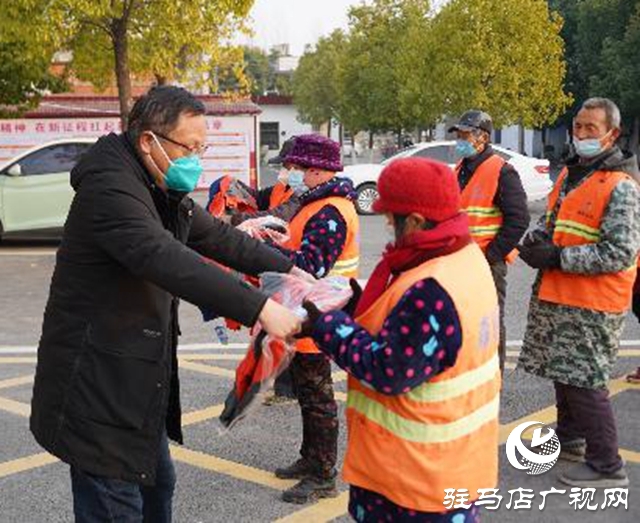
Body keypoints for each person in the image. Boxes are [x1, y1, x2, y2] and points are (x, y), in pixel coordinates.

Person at [29, 85, 303, 523]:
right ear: (148, 141)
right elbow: (165, 257)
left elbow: (216, 236)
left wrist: (292, 270)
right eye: (190, 147)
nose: (197, 158)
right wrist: (261, 308)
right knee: (116, 505)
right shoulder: (110, 190)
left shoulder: (156, 185)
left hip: (135, 385)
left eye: (203, 147)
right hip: (97, 386)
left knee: (158, 488)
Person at [298, 157, 500, 522]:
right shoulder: (463, 256)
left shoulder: (431, 289)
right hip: (455, 465)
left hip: (413, 483)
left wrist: (327, 327)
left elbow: (390, 370)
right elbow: (409, 324)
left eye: (392, 215)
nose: (387, 222)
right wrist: (357, 301)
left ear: (418, 221)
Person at [518, 97, 640, 488]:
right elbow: (555, 223)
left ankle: (607, 464)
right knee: (563, 373)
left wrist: (557, 257)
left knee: (585, 380)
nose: (582, 134)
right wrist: (537, 243)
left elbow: (620, 252)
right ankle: (569, 438)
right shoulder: (574, 174)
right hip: (563, 294)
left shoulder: (620, 185)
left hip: (594, 302)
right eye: (578, 127)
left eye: (591, 128)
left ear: (612, 134)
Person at [270, 134, 361, 504]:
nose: (291, 173)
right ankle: (310, 458)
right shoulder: (318, 203)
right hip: (308, 313)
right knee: (309, 393)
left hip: (318, 316)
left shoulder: (330, 211)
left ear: (318, 170)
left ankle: (323, 474)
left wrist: (264, 251)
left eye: (297, 167)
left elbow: (311, 266)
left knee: (319, 397)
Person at [449, 110, 530, 371]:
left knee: (489, 322)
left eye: (464, 135)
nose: (459, 141)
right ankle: (469, 374)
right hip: (459, 263)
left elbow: (518, 220)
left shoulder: (502, 172)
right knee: (462, 320)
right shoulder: (460, 169)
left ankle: (492, 380)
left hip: (486, 263)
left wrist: (490, 256)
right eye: (458, 135)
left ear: (482, 137)